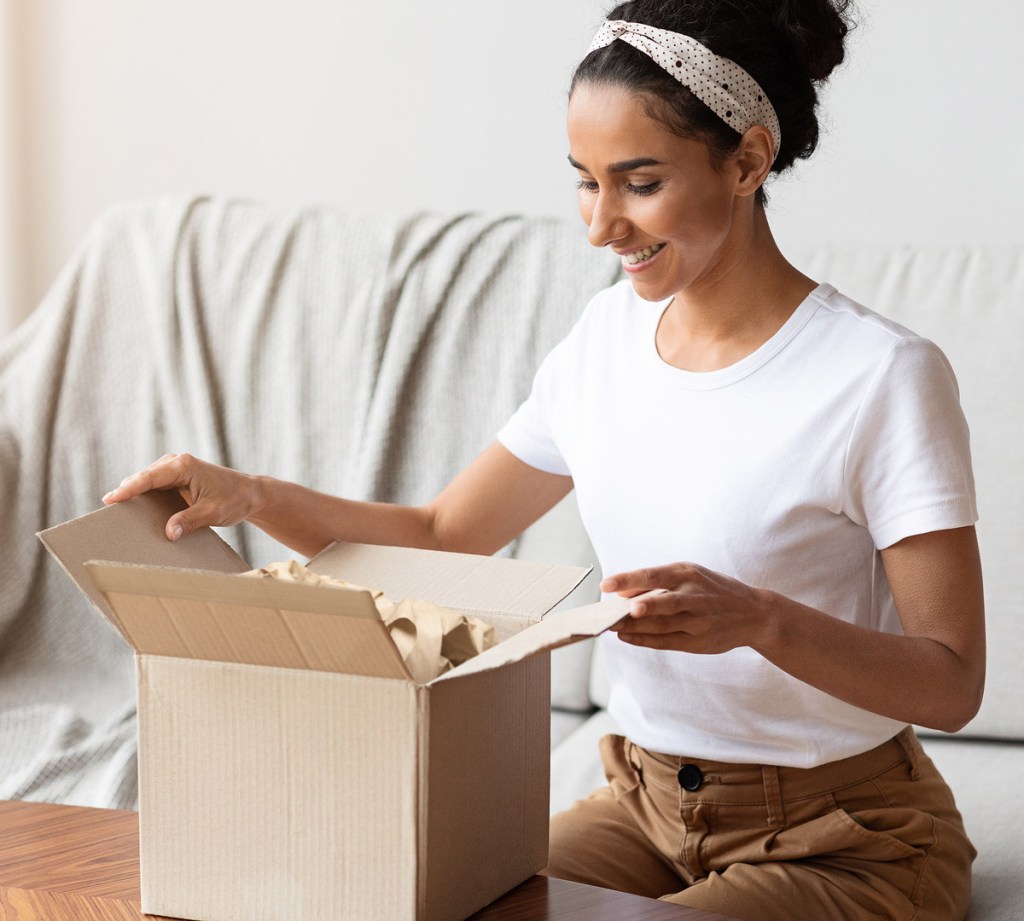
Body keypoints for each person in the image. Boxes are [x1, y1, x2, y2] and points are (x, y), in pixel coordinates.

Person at [103, 1, 983, 918]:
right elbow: (446, 534)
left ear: (748, 162)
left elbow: (952, 680)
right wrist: (247, 494)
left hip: (845, 836)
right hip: (643, 807)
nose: (601, 226)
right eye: (585, 181)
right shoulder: (605, 338)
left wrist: (762, 619)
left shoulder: (880, 376)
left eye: (638, 183)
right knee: (416, 897)